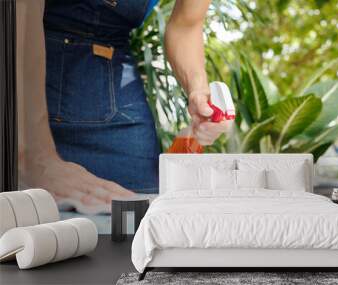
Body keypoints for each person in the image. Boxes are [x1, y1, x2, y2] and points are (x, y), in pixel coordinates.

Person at [17, 0, 231, 206]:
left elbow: (187, 24)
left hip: (116, 99)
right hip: (20, 75)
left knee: (140, 215)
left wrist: (198, 89)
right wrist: (32, 156)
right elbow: (19, 9)